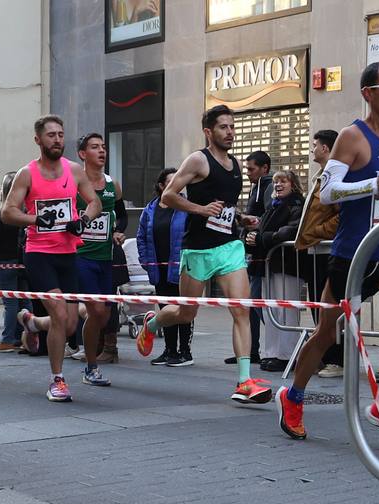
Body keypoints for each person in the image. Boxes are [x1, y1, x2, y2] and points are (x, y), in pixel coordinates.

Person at [276, 64, 379, 441]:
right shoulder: (351, 137)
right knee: (327, 334)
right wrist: (373, 183)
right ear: (368, 93)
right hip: (352, 253)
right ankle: (292, 396)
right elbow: (328, 192)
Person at [134, 105, 270, 404]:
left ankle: (245, 381)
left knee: (241, 310)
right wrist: (199, 209)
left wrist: (240, 218)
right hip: (197, 250)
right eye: (223, 127)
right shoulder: (198, 160)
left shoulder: (235, 165)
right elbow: (168, 195)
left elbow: (223, 209)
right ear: (209, 132)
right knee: (186, 312)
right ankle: (152, 324)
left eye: (232, 126)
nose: (230, 132)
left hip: (229, 248)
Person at [0, 114, 101, 402]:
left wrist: (82, 220)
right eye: (51, 135)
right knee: (60, 315)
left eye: (60, 134)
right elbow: (8, 212)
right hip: (39, 253)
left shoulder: (74, 171)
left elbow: (94, 202)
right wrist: (36, 219)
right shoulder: (27, 174)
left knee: (68, 324)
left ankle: (33, 323)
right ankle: (58, 380)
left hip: (68, 253)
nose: (57, 140)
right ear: (38, 140)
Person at [75, 132, 126, 388]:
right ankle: (91, 365)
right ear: (83, 154)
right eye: (95, 147)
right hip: (81, 256)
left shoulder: (111, 184)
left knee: (103, 316)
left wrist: (118, 230)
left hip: (105, 258)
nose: (102, 151)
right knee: (96, 310)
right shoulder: (74, 183)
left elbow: (123, 216)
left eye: (104, 146)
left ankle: (54, 319)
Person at [295, 129, 344, 378]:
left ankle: (336, 359)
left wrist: (319, 232)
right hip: (314, 250)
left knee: (328, 308)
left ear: (325, 148)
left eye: (315, 145)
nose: (312, 149)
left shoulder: (335, 175)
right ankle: (325, 357)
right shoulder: (320, 175)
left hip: (327, 249)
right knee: (317, 306)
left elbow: (340, 213)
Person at [248, 170, 305, 372]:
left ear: (293, 184)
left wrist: (262, 238)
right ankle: (271, 352)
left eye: (283, 181)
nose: (278, 185)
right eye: (275, 182)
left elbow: (290, 231)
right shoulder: (273, 205)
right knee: (270, 309)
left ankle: (286, 354)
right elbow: (264, 229)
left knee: (285, 309)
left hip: (287, 264)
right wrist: (252, 235)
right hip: (269, 264)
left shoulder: (296, 203)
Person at [137, 166, 192, 366]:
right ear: (161, 186)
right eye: (171, 181)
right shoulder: (149, 210)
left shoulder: (186, 206)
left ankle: (185, 352)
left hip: (182, 268)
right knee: (165, 309)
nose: (177, 184)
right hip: (158, 268)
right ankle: (170, 350)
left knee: (184, 309)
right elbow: (141, 237)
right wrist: (145, 261)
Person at [0, 172, 26, 352]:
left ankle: (7, 340)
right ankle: (25, 336)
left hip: (4, 263)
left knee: (10, 303)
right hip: (24, 262)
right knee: (25, 300)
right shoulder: (25, 216)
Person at [240, 149, 272, 365]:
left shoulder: (268, 187)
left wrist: (254, 225)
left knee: (257, 303)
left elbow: (270, 218)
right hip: (253, 254)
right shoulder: (256, 188)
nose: (248, 174)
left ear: (264, 169)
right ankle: (250, 350)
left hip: (263, 256)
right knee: (250, 305)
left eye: (251, 169)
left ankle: (295, 344)